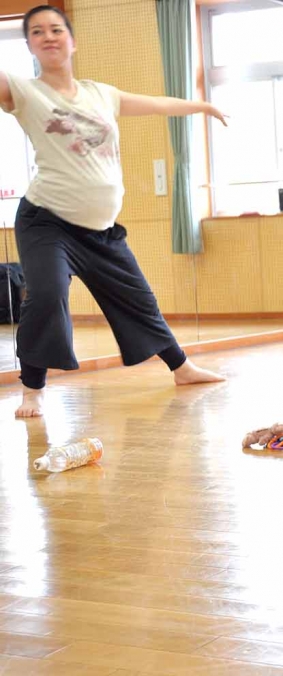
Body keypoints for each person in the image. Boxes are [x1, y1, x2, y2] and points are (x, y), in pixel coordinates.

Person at [0, 5, 226, 418]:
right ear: (30, 44)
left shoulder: (101, 93)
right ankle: (32, 389)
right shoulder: (22, 90)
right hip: (46, 221)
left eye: (56, 29)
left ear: (72, 40)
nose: (48, 36)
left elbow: (157, 105)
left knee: (139, 299)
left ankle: (182, 367)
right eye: (37, 32)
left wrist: (202, 107)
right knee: (48, 295)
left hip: (99, 229)